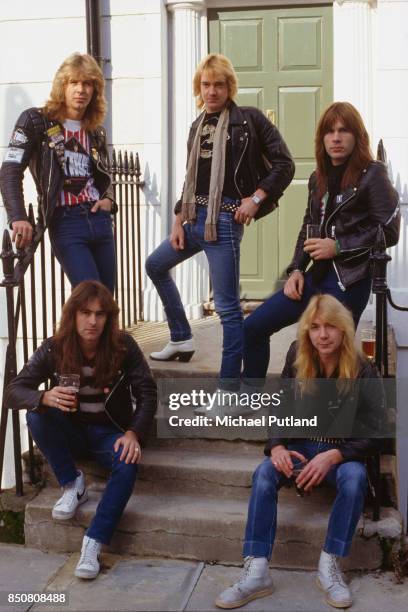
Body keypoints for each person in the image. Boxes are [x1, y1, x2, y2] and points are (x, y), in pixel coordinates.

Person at [215, 294, 384, 610]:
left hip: (340, 454)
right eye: (315, 327)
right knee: (264, 472)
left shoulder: (362, 368)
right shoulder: (298, 355)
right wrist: (278, 445)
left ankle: (330, 566)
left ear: (343, 329)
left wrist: (335, 454)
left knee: (355, 476)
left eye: (330, 327)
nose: (322, 335)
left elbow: (377, 432)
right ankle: (257, 571)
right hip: (301, 448)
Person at [145, 53, 294, 390]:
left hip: (224, 221)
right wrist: (177, 220)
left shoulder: (249, 120)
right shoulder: (197, 126)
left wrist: (255, 199)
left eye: (219, 84)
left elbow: (285, 165)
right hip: (194, 219)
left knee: (227, 309)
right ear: (199, 88)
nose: (212, 91)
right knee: (155, 265)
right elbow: (191, 177)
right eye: (206, 84)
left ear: (230, 87)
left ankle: (228, 389)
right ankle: (182, 337)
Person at [6, 281, 157, 579]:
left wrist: (133, 433)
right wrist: (43, 396)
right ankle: (72, 482)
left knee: (127, 463)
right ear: (73, 315)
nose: (92, 321)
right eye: (86, 313)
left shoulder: (123, 346)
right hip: (71, 430)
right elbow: (12, 391)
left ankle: (93, 542)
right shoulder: (54, 347)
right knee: (37, 416)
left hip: (108, 433)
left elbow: (148, 393)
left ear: (108, 318)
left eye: (100, 315)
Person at [243, 102, 400, 382]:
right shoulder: (319, 178)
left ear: (357, 136)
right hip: (315, 277)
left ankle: (326, 414)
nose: (336, 138)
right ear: (322, 139)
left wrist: (338, 246)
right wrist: (295, 270)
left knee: (325, 350)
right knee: (253, 327)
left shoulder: (372, 174)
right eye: (329, 132)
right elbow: (308, 227)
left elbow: (388, 230)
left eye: (343, 131)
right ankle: (248, 395)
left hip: (348, 282)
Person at [0, 53, 116, 292]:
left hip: (100, 220)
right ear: (62, 86)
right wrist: (18, 216)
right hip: (66, 221)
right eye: (74, 82)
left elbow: (104, 174)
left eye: (87, 84)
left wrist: (108, 200)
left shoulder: (95, 131)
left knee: (105, 301)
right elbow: (10, 169)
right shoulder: (35, 121)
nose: (81, 90)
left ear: (95, 90)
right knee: (89, 296)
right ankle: (67, 331)